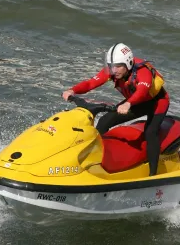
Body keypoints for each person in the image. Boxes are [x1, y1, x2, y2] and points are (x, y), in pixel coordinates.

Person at [62, 43, 169, 176]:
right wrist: (73, 90)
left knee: (150, 132)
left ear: (128, 63)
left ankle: (153, 175)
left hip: (157, 102)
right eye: (112, 66)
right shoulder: (113, 71)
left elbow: (142, 91)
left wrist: (128, 104)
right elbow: (91, 83)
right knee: (104, 122)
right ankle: (92, 159)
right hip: (134, 102)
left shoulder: (143, 71)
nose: (114, 70)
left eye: (118, 66)